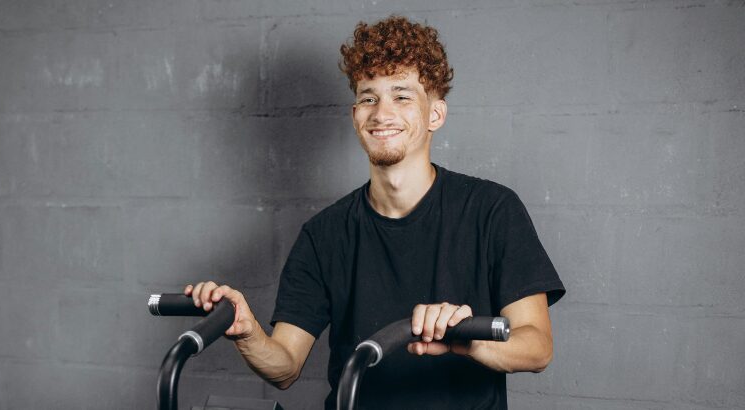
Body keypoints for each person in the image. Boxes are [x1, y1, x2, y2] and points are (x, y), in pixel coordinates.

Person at [185, 15, 565, 409]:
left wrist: (469, 342)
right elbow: (284, 366)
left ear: (435, 115)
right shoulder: (323, 234)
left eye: (401, 96)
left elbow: (537, 347)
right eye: (369, 98)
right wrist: (247, 332)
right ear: (355, 116)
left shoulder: (492, 211)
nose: (382, 114)